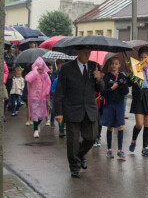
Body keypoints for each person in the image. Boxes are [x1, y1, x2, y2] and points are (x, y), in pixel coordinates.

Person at [54, 47, 104, 178]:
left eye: (89, 52)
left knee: (92, 137)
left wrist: (99, 79)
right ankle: (74, 166)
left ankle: (80, 155)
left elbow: (101, 89)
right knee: (73, 141)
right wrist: (58, 112)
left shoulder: (95, 66)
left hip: (90, 109)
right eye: (85, 52)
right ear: (78, 53)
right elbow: (59, 91)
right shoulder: (66, 68)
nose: (88, 55)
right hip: (72, 109)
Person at [100, 57, 129, 160]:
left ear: (119, 65)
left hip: (119, 104)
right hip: (109, 104)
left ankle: (120, 150)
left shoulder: (123, 77)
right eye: (112, 64)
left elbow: (126, 91)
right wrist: (111, 88)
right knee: (110, 126)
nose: (114, 66)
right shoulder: (106, 77)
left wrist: (120, 85)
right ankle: (109, 150)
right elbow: (102, 92)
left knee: (121, 126)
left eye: (116, 63)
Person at [25, 57, 51, 138]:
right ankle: (35, 130)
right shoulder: (32, 73)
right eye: (38, 69)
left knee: (42, 115)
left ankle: (37, 125)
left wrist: (47, 91)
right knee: (35, 114)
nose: (40, 70)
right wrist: (35, 72)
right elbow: (27, 79)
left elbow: (48, 83)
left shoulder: (45, 75)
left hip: (42, 97)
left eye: (41, 69)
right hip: (34, 97)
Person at [49, 59, 65, 129]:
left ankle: (62, 125)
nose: (62, 65)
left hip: (63, 95)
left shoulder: (65, 72)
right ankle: (52, 120)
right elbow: (53, 83)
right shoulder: (55, 73)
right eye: (61, 64)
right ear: (58, 65)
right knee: (53, 109)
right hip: (55, 94)